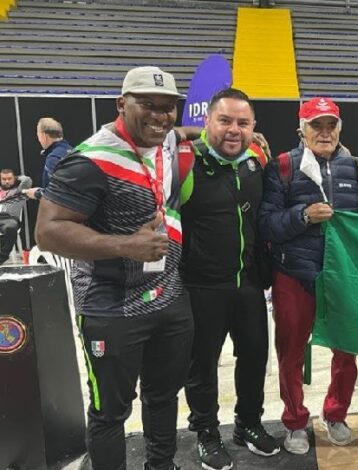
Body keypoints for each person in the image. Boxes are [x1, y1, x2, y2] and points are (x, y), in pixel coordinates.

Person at [35, 66, 194, 470]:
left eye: (168, 107)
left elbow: (184, 135)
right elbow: (48, 232)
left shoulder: (166, 142)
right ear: (121, 104)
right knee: (110, 412)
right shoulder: (89, 160)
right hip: (111, 308)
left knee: (163, 396)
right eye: (148, 105)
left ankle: (162, 465)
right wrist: (127, 245)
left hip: (169, 298)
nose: (160, 115)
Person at [257, 97, 358, 454]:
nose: (324, 132)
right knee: (290, 353)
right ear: (301, 130)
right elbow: (266, 224)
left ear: (339, 129)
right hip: (294, 274)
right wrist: (303, 215)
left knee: (346, 352)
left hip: (342, 277)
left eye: (330, 125)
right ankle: (295, 420)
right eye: (316, 125)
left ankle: (336, 414)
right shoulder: (283, 167)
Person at [181, 87, 279, 470]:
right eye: (225, 120)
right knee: (202, 365)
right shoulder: (188, 162)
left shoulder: (256, 160)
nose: (234, 129)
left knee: (255, 357)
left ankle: (248, 424)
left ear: (254, 126)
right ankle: (206, 432)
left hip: (249, 284)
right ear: (207, 121)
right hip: (201, 285)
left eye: (243, 122)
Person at [23, 117, 73, 201]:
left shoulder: (53, 158)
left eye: (38, 135)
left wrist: (37, 193)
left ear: (44, 136)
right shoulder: (74, 151)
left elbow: (59, 194)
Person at [0, 169, 32, 265]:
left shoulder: (19, 191)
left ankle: (2, 257)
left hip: (9, 218)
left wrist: (16, 177)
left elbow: (27, 180)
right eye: (3, 179)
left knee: (11, 227)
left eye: (9, 179)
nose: (6, 181)